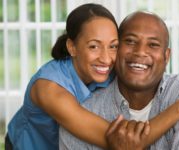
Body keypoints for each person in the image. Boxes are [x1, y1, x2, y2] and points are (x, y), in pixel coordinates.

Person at [59, 11, 179, 150]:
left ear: (166, 56)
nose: (140, 52)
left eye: (153, 45)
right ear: (116, 48)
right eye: (130, 41)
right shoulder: (83, 115)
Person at [5, 3, 119, 150]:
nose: (106, 59)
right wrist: (159, 122)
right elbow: (114, 139)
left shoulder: (107, 69)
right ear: (72, 47)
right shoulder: (49, 88)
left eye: (113, 46)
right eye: (94, 46)